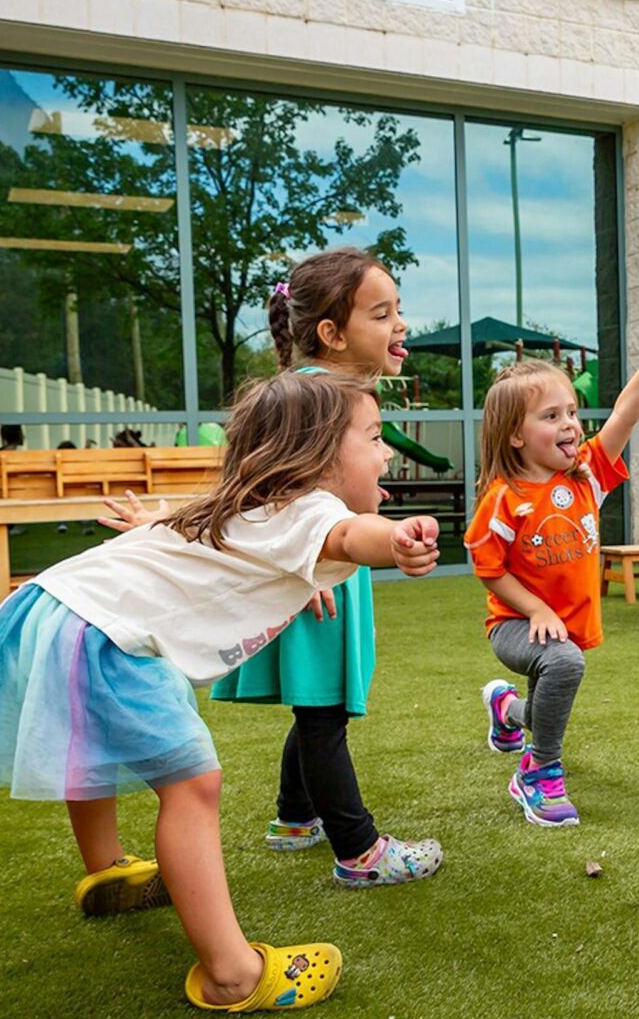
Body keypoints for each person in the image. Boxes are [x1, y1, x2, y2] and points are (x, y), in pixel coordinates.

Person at [0, 370, 439, 1010]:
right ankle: (231, 974)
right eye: (373, 437)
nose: (387, 451)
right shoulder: (311, 507)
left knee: (93, 744)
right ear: (317, 453)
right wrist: (396, 541)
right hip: (102, 632)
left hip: (51, 608)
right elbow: (347, 534)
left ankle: (107, 869)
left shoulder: (246, 507)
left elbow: (270, 547)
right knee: (193, 783)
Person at [105, 248, 442, 888]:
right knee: (323, 709)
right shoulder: (315, 395)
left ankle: (295, 817)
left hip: (323, 560)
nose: (400, 325)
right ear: (332, 332)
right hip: (314, 566)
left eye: (399, 310)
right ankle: (359, 850)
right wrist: (298, 570)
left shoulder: (331, 388)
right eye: (382, 313)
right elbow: (256, 485)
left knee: (319, 705)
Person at [468, 351, 639, 826]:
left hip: (565, 626)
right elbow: (488, 568)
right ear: (516, 435)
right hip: (516, 624)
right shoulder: (505, 498)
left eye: (573, 414)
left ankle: (505, 708)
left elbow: (624, 415)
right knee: (564, 663)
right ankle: (538, 773)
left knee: (547, 708)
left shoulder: (586, 475)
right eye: (552, 416)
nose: (570, 426)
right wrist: (536, 610)